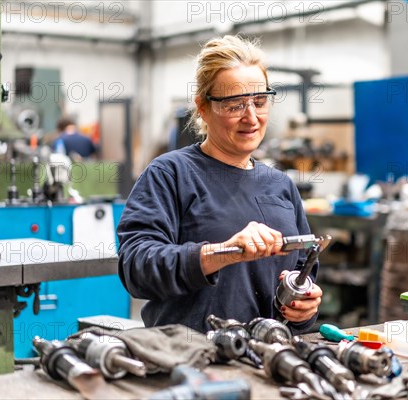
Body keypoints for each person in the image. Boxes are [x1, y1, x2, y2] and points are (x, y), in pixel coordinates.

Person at [117, 35, 323, 334]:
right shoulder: (170, 174)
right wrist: (223, 252)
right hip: (192, 359)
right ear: (203, 107)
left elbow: (304, 273)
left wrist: (303, 307)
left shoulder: (280, 185)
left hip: (271, 359)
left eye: (259, 102)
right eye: (235, 105)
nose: (251, 117)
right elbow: (137, 267)